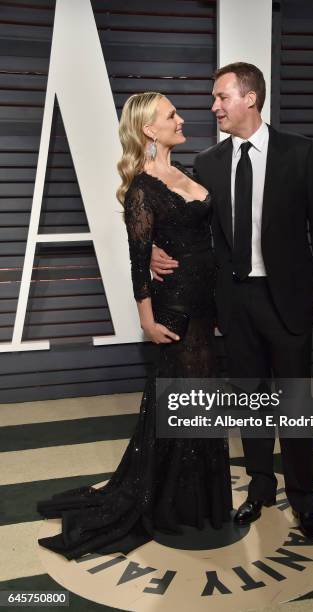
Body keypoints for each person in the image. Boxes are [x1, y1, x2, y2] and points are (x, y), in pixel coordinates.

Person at [151, 62, 313, 540]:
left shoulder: (301, 153)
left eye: (221, 97)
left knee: (295, 406)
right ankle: (259, 491)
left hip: (291, 303)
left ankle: (305, 503)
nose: (213, 106)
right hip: (234, 305)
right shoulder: (210, 163)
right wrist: (152, 250)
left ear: (250, 98)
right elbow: (195, 232)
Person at [36, 92, 233, 560]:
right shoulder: (143, 188)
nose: (181, 119)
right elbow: (137, 260)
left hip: (206, 305)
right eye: (171, 115)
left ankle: (199, 502)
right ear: (149, 128)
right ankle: (174, 504)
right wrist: (146, 319)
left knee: (205, 395)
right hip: (175, 308)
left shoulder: (190, 172)